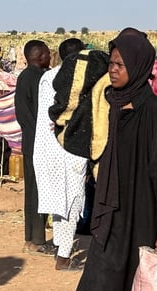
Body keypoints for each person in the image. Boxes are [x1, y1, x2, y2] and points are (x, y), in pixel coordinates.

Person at [60, 29, 157, 291]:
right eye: (111, 63)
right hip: (109, 208)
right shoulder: (104, 105)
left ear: (137, 67)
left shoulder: (154, 111)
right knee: (100, 281)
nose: (113, 69)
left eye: (120, 65)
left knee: (135, 283)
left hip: (141, 209)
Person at [34, 37, 97, 271]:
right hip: (69, 149)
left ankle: (61, 247)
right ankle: (64, 256)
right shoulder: (78, 79)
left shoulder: (46, 77)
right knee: (71, 200)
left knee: (59, 202)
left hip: (46, 150)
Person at [15, 40, 55, 256]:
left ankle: (31, 238)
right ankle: (38, 240)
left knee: (32, 191)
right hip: (40, 142)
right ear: (39, 55)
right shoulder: (41, 79)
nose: (50, 56)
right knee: (40, 191)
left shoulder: (24, 77)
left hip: (29, 141)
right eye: (48, 53)